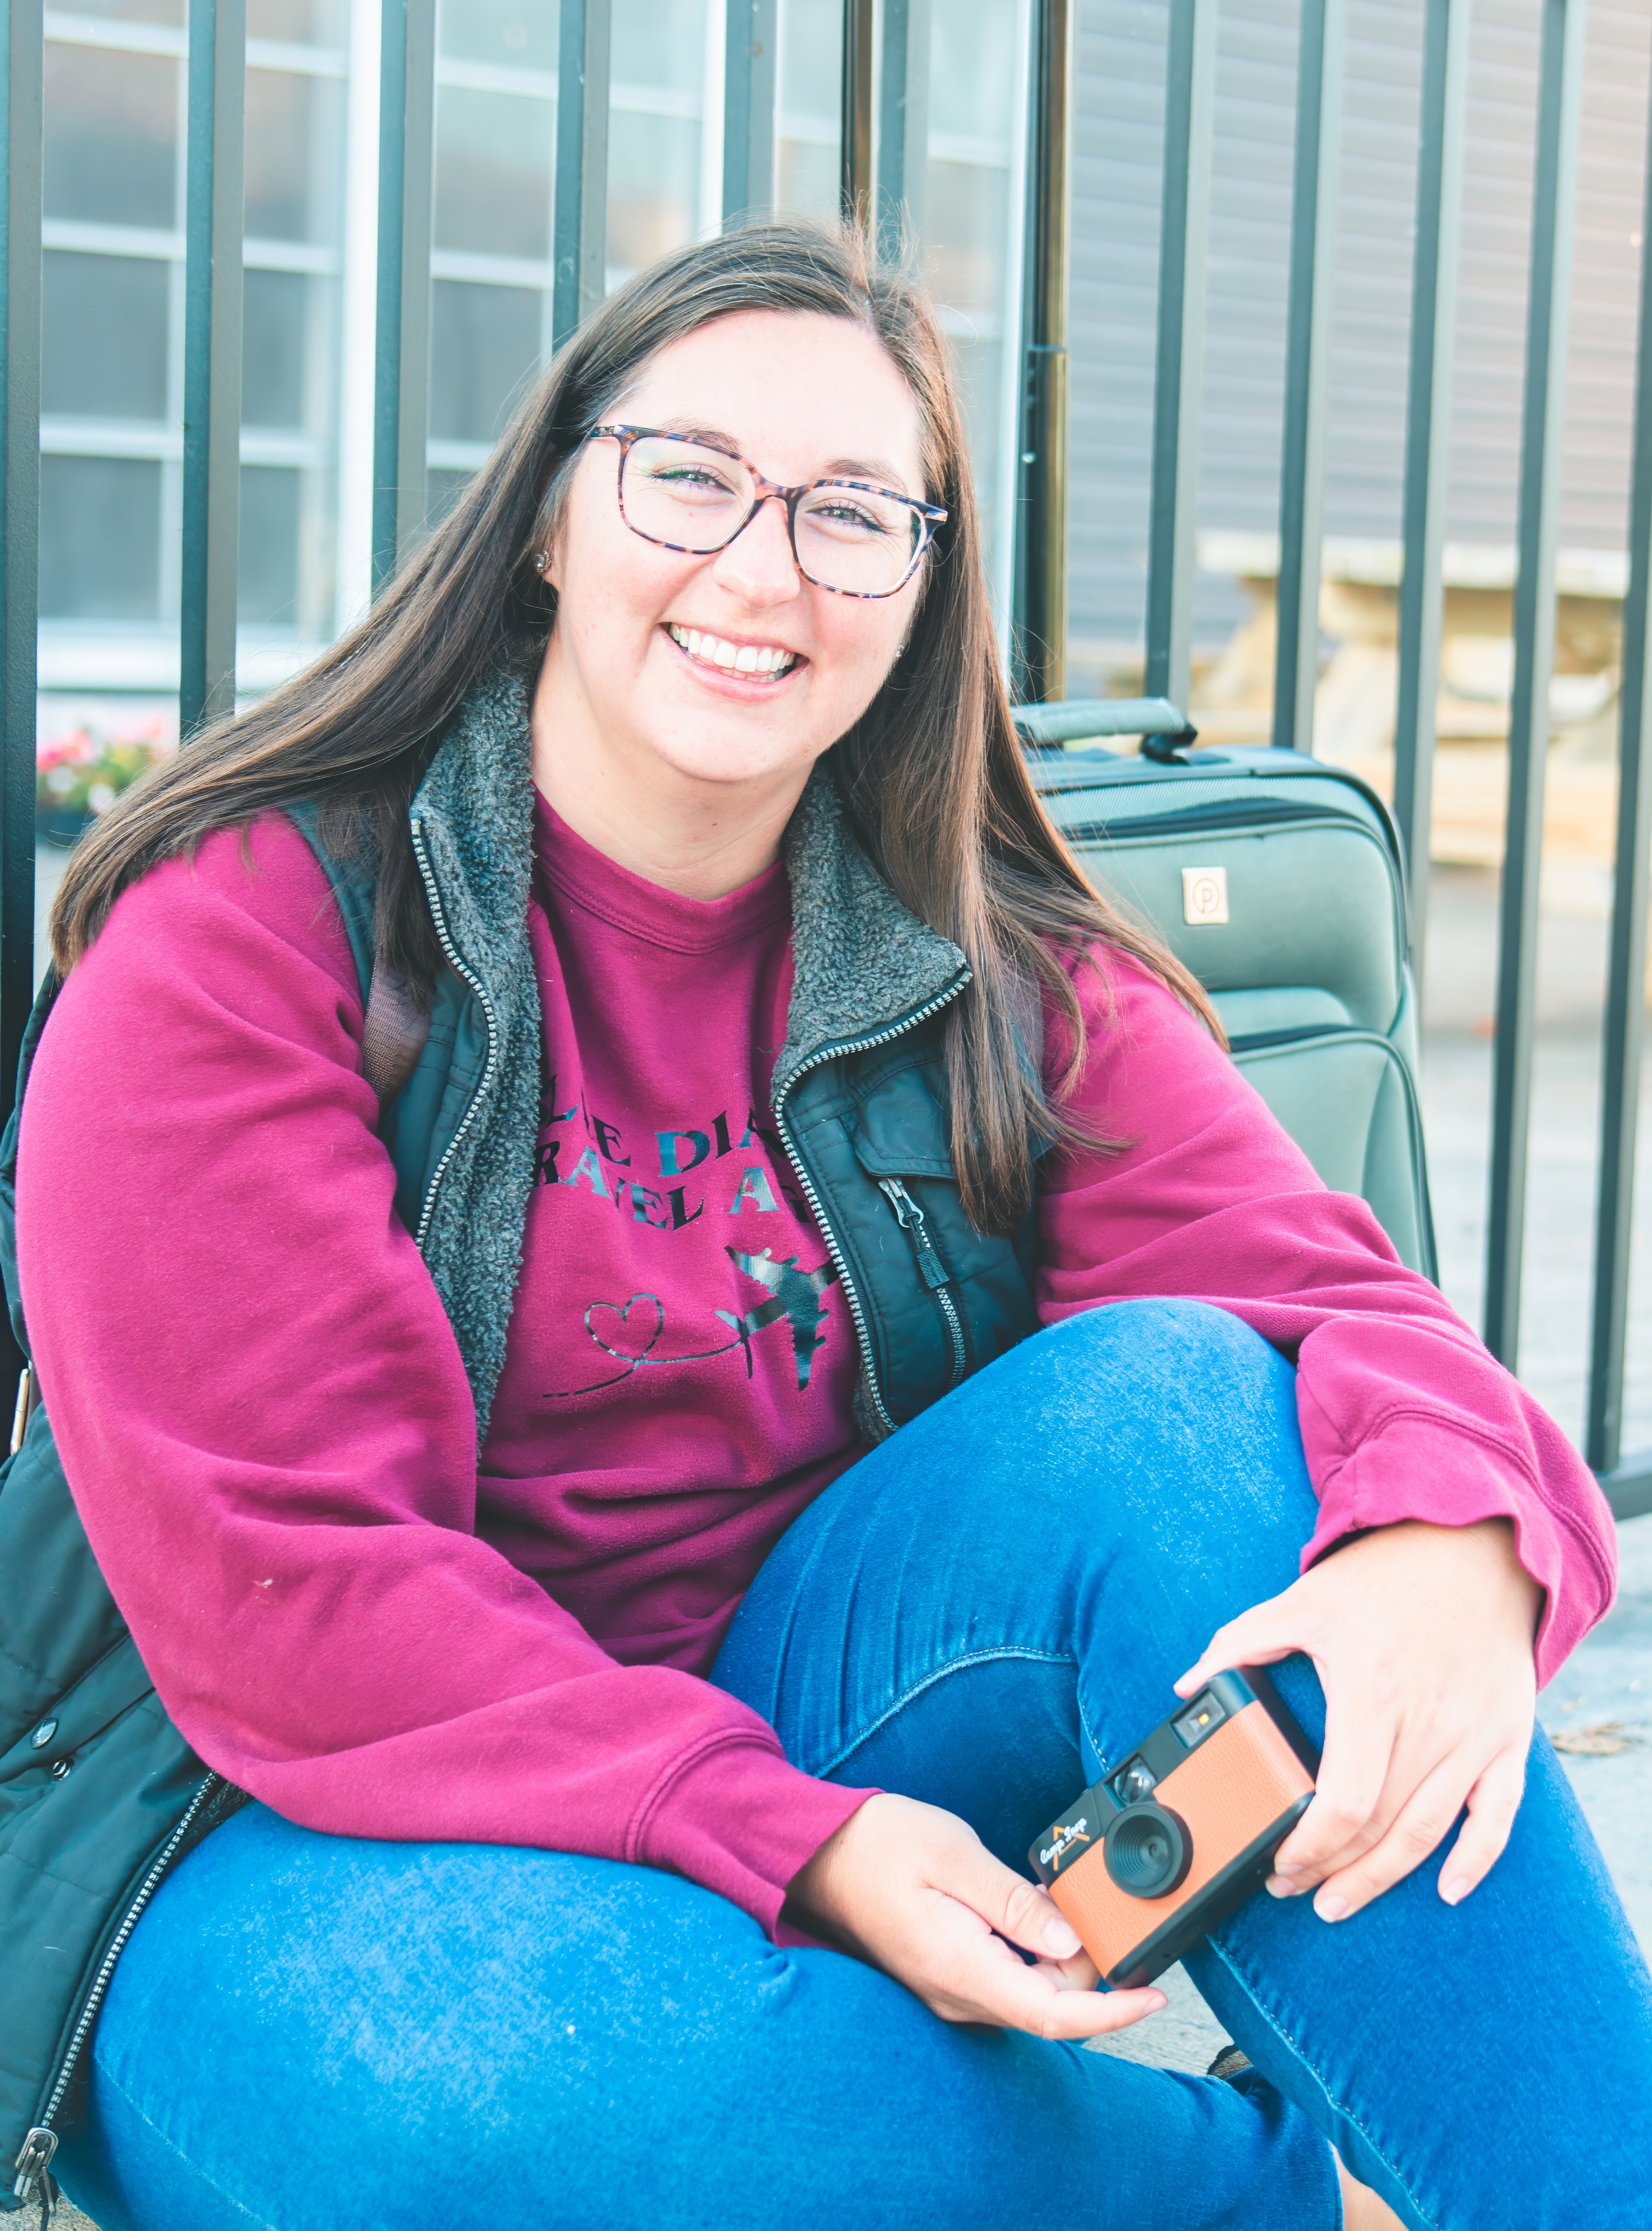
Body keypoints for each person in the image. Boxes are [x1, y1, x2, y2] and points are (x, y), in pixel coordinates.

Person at [15, 220, 1648, 2231]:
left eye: (855, 511)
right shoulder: (246, 935)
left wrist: (1467, 1544)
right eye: (689, 473)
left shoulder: (995, 975)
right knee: (478, 2103)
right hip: (304, 1824)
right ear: (548, 514)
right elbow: (301, 1581)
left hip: (814, 1696)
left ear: (920, 585)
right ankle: (1293, 2190)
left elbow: (1316, 1295)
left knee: (1203, 1418)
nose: (764, 564)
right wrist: (791, 1845)